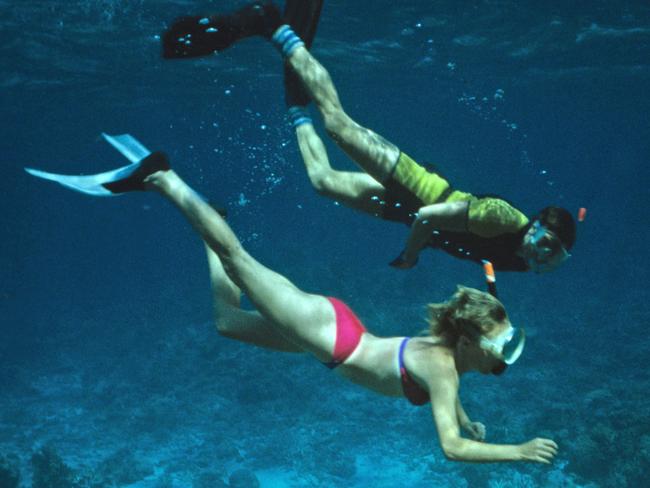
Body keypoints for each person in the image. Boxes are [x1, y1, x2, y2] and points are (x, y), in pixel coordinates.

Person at [25, 138, 556, 463]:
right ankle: (163, 179)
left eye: (506, 354)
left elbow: (451, 393)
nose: (502, 361)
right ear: (468, 340)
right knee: (237, 261)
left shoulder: (450, 360)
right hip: (327, 335)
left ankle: (212, 217)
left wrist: (467, 418)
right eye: (502, 351)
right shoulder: (445, 366)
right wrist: (517, 451)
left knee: (228, 322)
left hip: (335, 331)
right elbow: (451, 449)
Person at [162, 2, 577, 273]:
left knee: (321, 181)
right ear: (537, 223)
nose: (544, 250)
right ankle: (271, 24)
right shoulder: (503, 219)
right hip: (414, 186)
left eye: (555, 252)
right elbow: (429, 218)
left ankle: (294, 104)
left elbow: (471, 249)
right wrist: (411, 255)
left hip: (402, 208)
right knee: (339, 125)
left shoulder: (517, 259)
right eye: (548, 240)